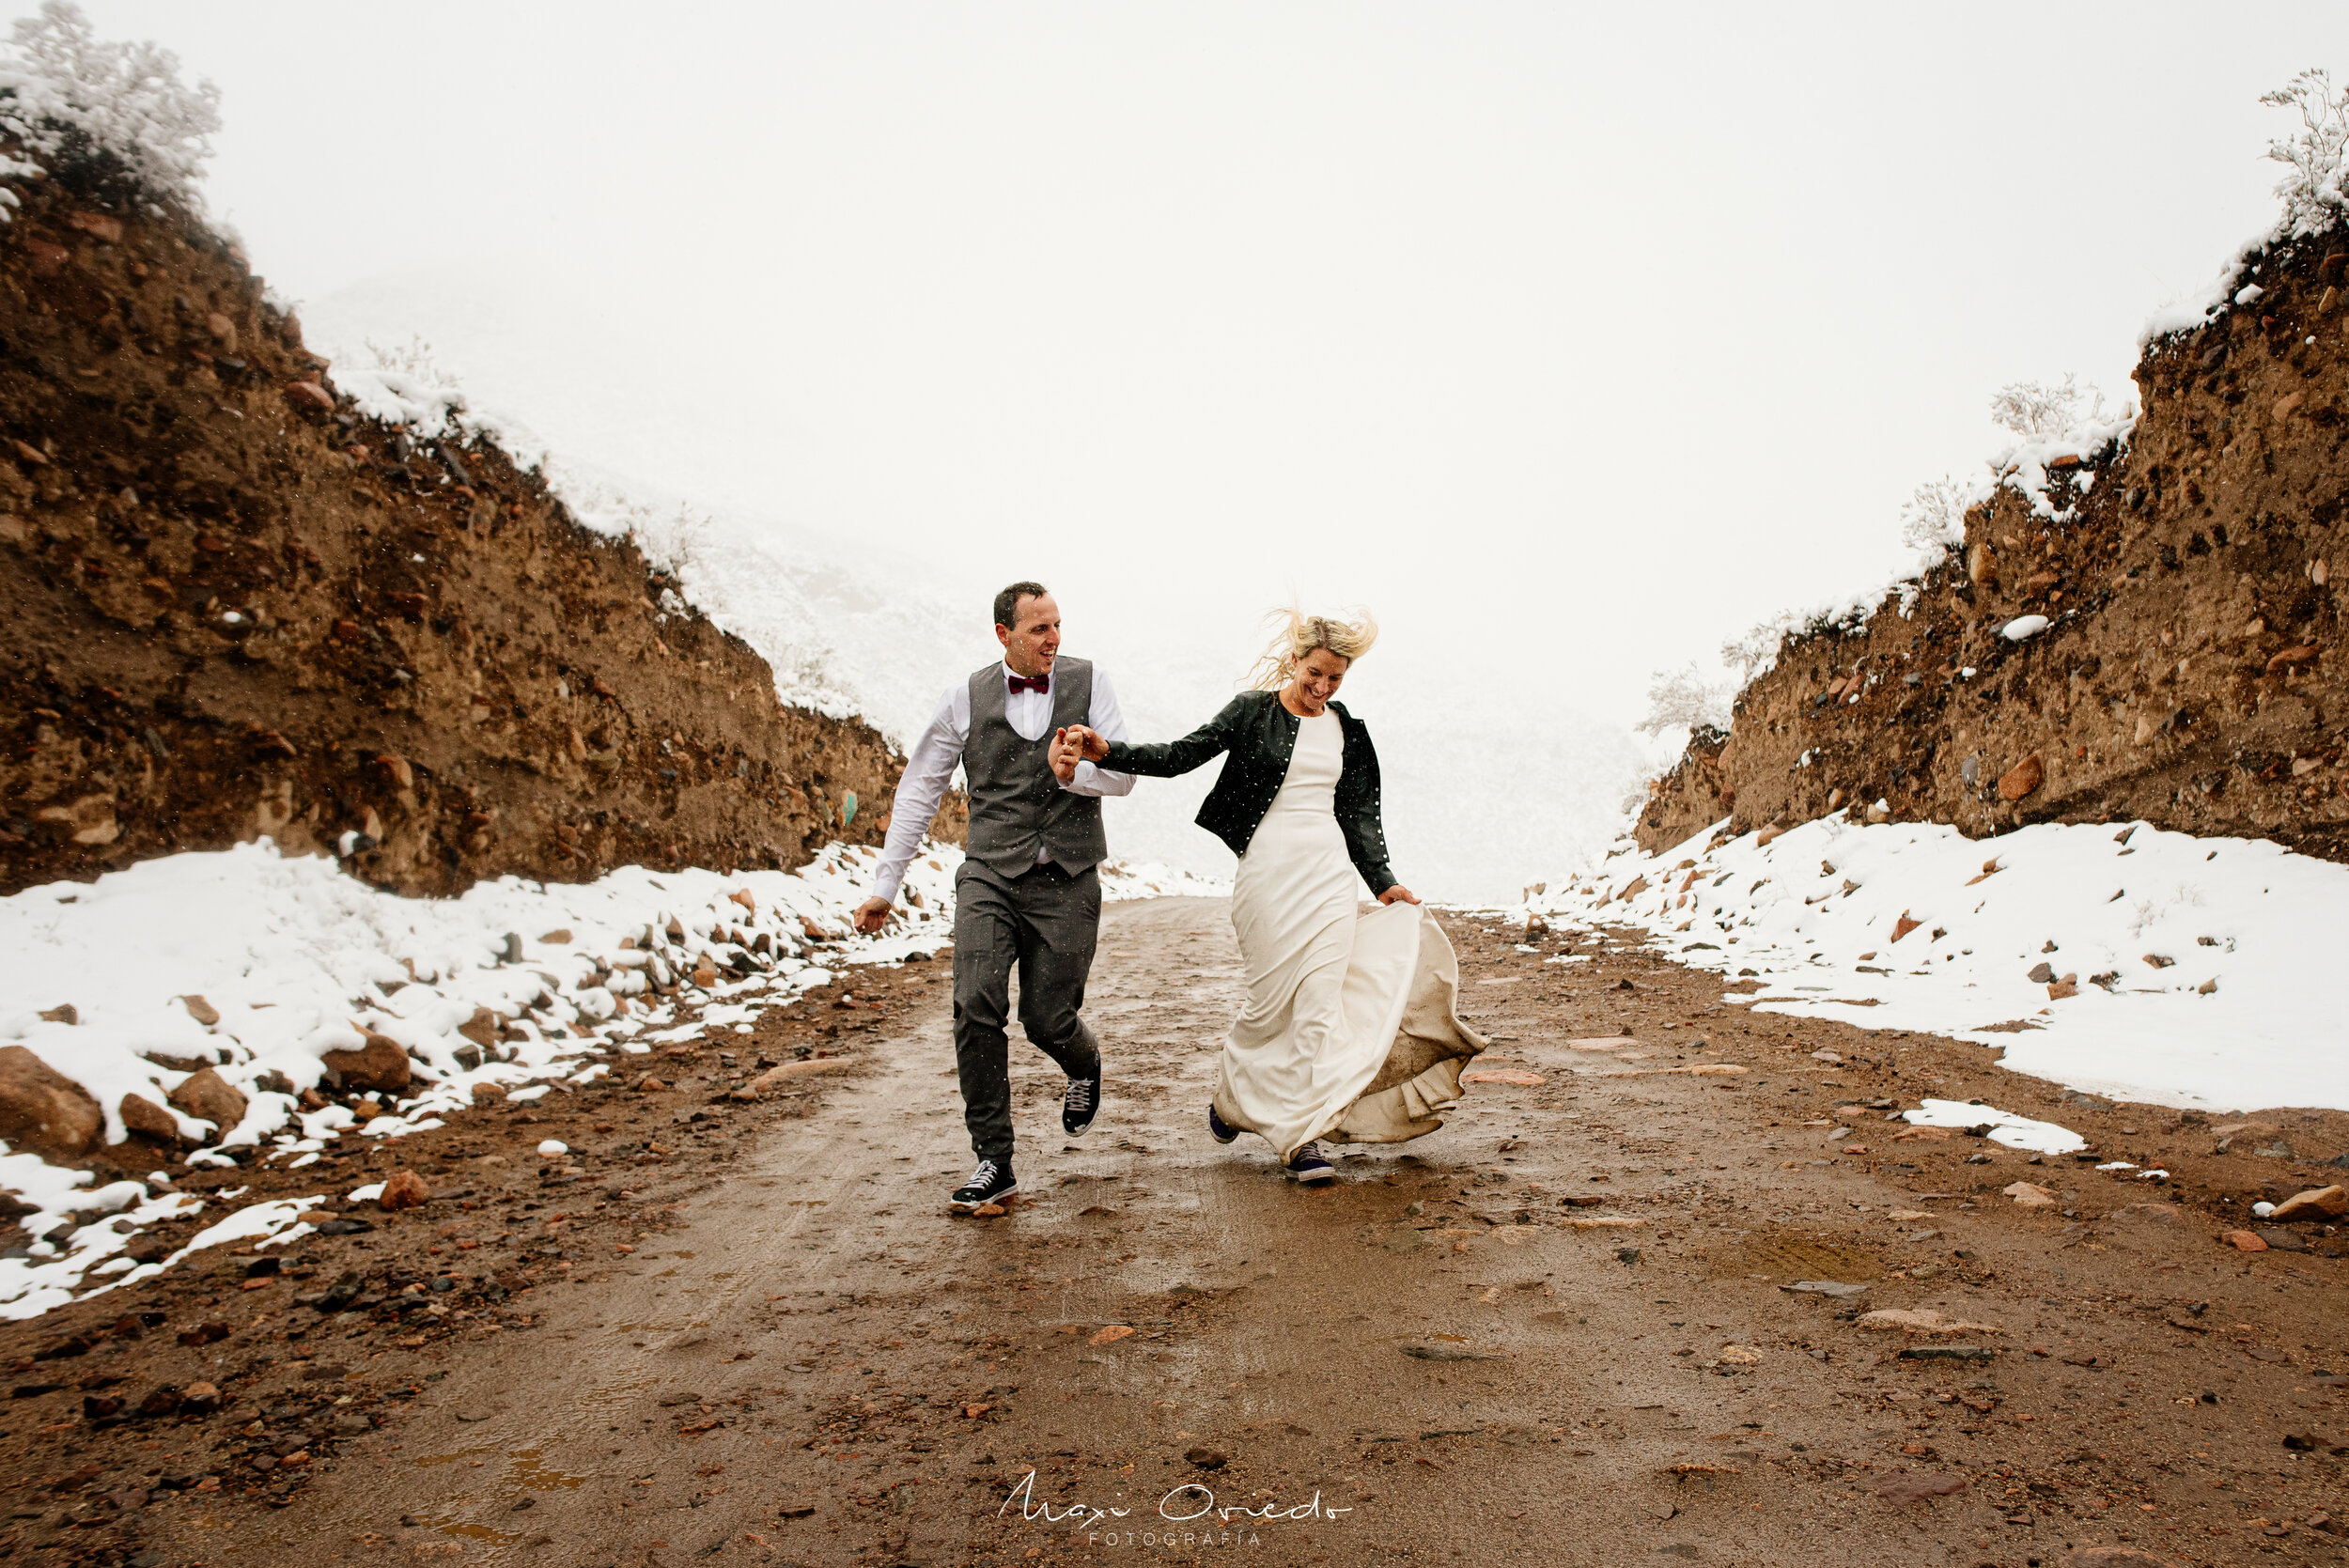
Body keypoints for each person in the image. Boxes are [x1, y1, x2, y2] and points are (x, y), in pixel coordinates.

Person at [1052, 608, 1485, 1182]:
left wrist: (1382, 881)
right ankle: (1233, 1095)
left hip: (1327, 878)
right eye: (1315, 673)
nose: (1323, 687)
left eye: (1336, 678)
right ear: (1296, 660)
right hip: (1265, 879)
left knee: (1318, 1008)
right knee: (1266, 1009)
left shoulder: (1347, 731)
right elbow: (1180, 756)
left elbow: (1357, 814)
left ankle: (1300, 1136)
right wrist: (1108, 752)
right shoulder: (1252, 713)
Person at [854, 582, 1133, 1213]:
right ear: (1004, 634)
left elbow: (1124, 776)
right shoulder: (965, 696)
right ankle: (993, 1158)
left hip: (1068, 875)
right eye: (1039, 628)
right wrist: (884, 885)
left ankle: (1082, 1062)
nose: (1054, 638)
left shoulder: (1092, 682)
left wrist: (1078, 770)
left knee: (1046, 1017)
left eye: (1058, 625)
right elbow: (921, 786)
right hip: (989, 873)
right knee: (974, 1001)